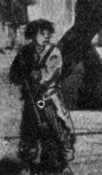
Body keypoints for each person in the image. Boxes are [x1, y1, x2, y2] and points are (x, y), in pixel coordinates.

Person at [9, 18, 76, 175]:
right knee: (29, 129)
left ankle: (62, 162)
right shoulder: (24, 52)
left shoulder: (53, 53)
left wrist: (35, 75)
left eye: (48, 34)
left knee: (56, 127)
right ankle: (29, 160)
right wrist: (19, 76)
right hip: (31, 100)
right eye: (42, 33)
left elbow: (48, 75)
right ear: (33, 35)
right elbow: (14, 74)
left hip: (48, 99)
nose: (46, 36)